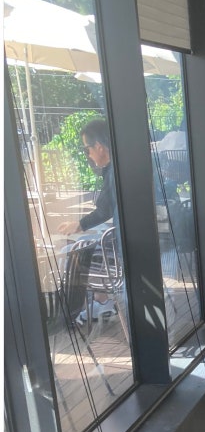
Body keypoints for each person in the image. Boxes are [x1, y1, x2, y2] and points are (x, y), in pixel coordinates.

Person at [58, 117, 117, 320]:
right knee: (86, 242)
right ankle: (103, 301)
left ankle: (72, 311)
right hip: (123, 240)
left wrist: (79, 225)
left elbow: (104, 211)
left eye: (87, 149)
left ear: (99, 147)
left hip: (121, 249)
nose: (87, 154)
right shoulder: (117, 168)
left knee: (69, 252)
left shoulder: (113, 173)